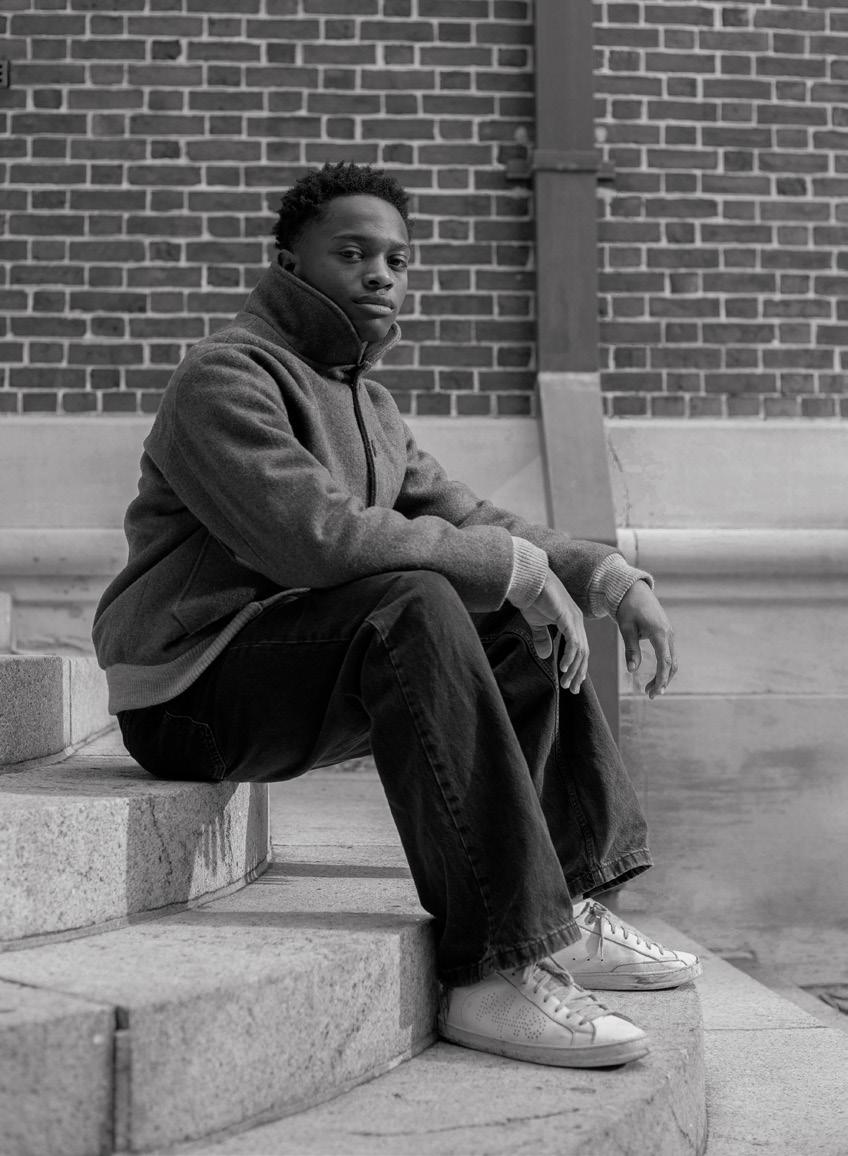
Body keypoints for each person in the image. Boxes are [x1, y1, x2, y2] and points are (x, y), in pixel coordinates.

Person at [93, 161, 700, 1072]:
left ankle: (566, 912)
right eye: (352, 252)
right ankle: (492, 968)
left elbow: (471, 519)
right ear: (289, 264)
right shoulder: (224, 376)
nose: (381, 273)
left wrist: (603, 576)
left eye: (397, 259)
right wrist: (510, 570)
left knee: (511, 619)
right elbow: (316, 540)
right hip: (190, 694)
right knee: (420, 598)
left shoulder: (369, 403)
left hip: (298, 665)